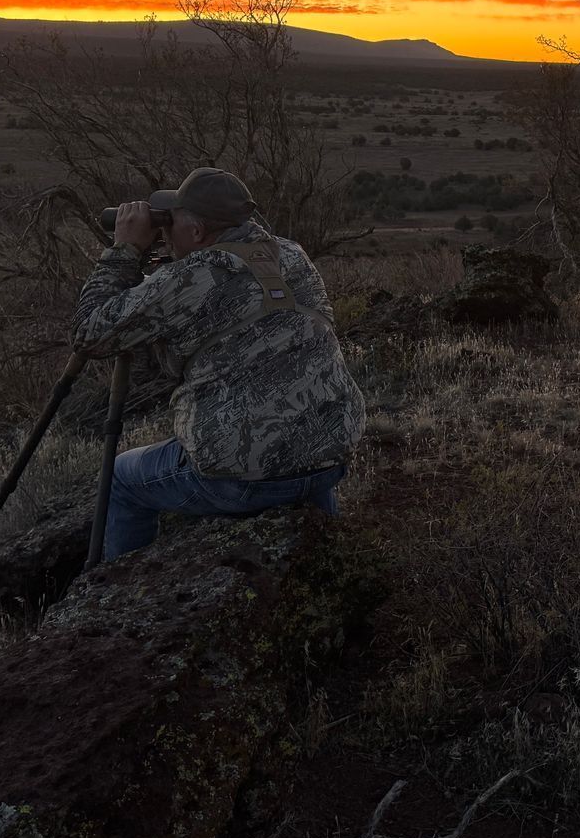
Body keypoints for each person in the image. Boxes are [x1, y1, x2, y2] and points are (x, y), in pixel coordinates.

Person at [72, 166, 364, 559]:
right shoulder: (292, 254)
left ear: (195, 231)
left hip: (242, 479)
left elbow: (89, 333)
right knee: (300, 437)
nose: (164, 230)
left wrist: (124, 251)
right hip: (331, 459)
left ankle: (110, 591)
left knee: (122, 478)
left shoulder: (188, 278)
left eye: (170, 221)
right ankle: (326, 557)